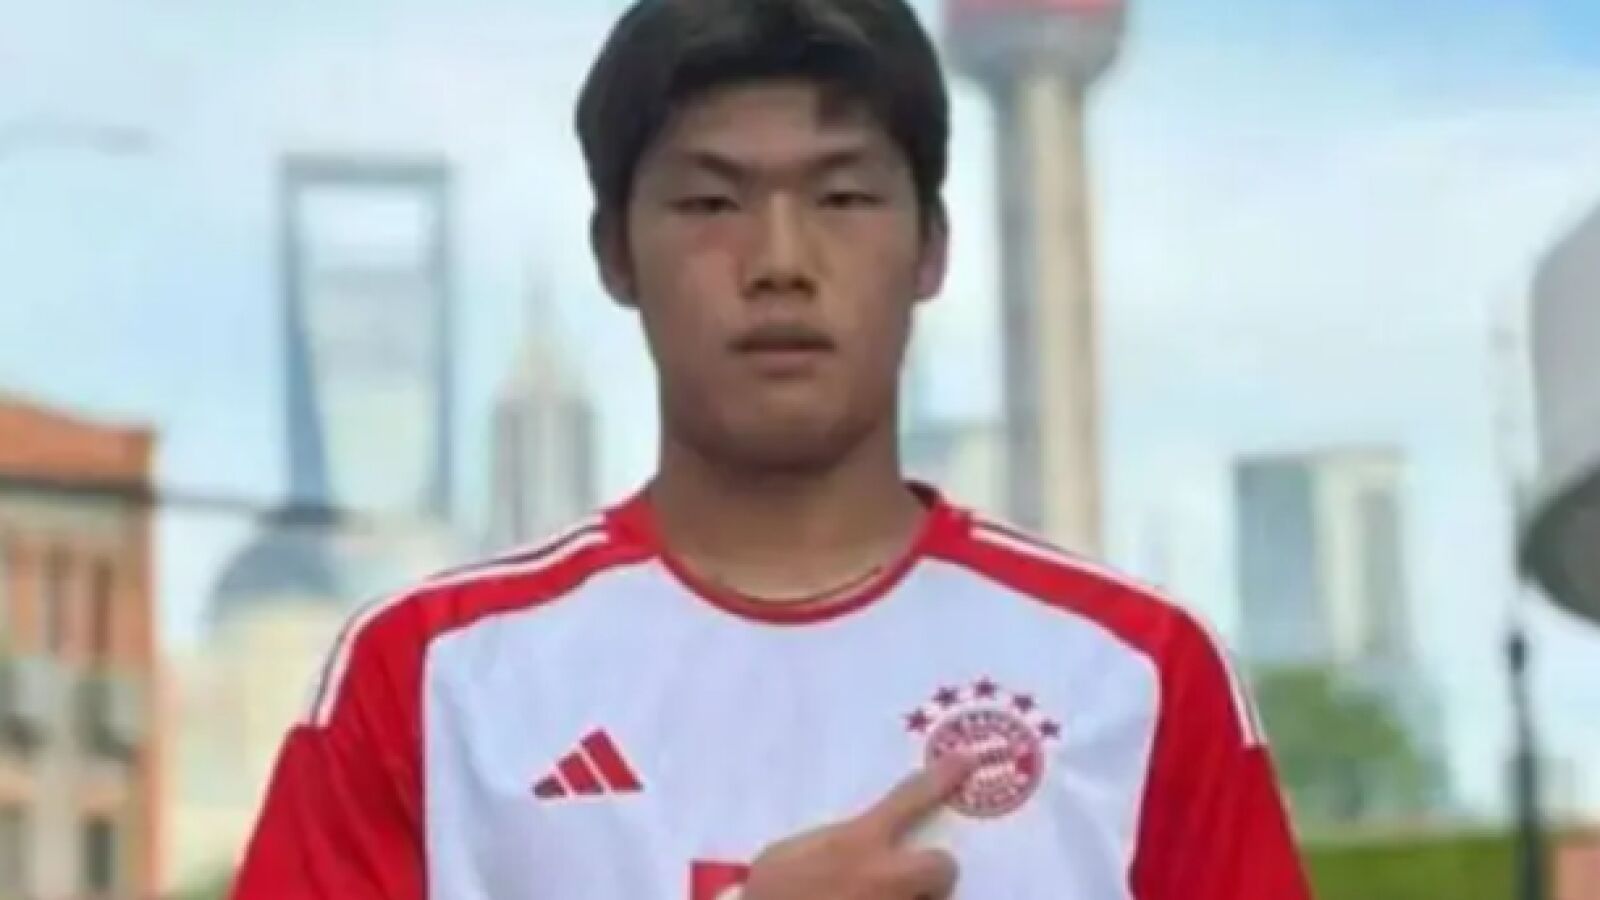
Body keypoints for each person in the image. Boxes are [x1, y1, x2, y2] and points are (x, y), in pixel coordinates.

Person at [233, 0, 1313, 897]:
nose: (780, 261)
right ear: (615, 255)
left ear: (930, 249)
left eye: (843, 197)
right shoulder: (431, 680)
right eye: (711, 201)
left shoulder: (1138, 675)